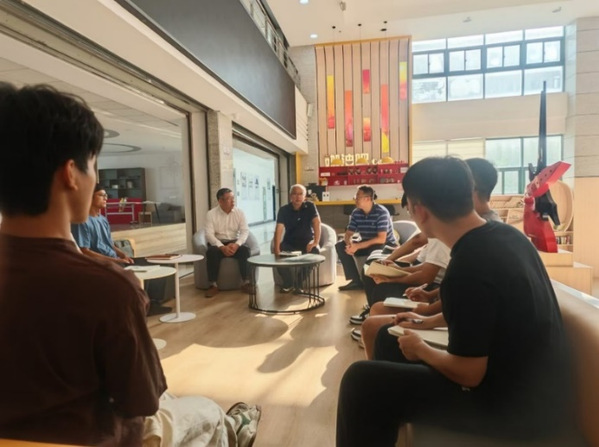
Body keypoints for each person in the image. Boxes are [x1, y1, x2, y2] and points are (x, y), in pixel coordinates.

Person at [0, 83, 261, 446]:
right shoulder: (106, 288)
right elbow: (141, 401)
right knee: (205, 411)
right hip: (100, 436)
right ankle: (232, 429)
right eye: (94, 166)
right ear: (70, 174)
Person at [336, 156, 572, 447]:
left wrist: (421, 348)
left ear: (420, 211)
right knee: (387, 338)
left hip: (516, 409)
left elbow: (468, 373)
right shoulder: (507, 236)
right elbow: (480, 313)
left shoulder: (468, 265)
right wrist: (424, 322)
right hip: (537, 392)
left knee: (361, 382)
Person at [71, 184, 172, 316]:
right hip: (102, 263)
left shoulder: (103, 219)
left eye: (106, 195)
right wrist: (116, 260)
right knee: (135, 272)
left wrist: (123, 254)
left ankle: (152, 303)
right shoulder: (81, 222)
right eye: (101, 195)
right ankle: (143, 306)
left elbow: (109, 243)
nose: (105, 198)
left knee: (154, 263)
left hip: (115, 259)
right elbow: (85, 251)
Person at [336, 185, 397, 291]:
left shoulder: (381, 212)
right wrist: (349, 244)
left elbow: (381, 239)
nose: (355, 199)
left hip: (386, 244)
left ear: (368, 199)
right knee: (341, 245)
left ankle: (372, 282)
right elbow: (349, 233)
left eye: (357, 196)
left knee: (375, 249)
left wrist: (358, 246)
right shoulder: (356, 212)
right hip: (367, 241)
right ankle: (356, 281)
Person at [204, 188, 253, 298]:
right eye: (229, 199)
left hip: (233, 242)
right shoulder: (211, 214)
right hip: (218, 243)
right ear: (220, 201)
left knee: (245, 250)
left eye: (233, 198)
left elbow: (245, 231)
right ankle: (213, 285)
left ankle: (246, 283)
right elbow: (209, 235)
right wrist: (222, 247)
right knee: (211, 252)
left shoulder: (239, 213)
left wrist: (237, 244)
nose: (233, 201)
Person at [273, 184, 321, 292]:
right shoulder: (284, 210)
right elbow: (279, 229)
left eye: (300, 194)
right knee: (278, 252)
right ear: (290, 196)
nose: (298, 197)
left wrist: (315, 241)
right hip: (289, 242)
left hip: (306, 242)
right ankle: (288, 282)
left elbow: (317, 223)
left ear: (304, 196)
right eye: (295, 194)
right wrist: (276, 248)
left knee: (315, 251)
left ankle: (299, 284)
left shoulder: (310, 206)